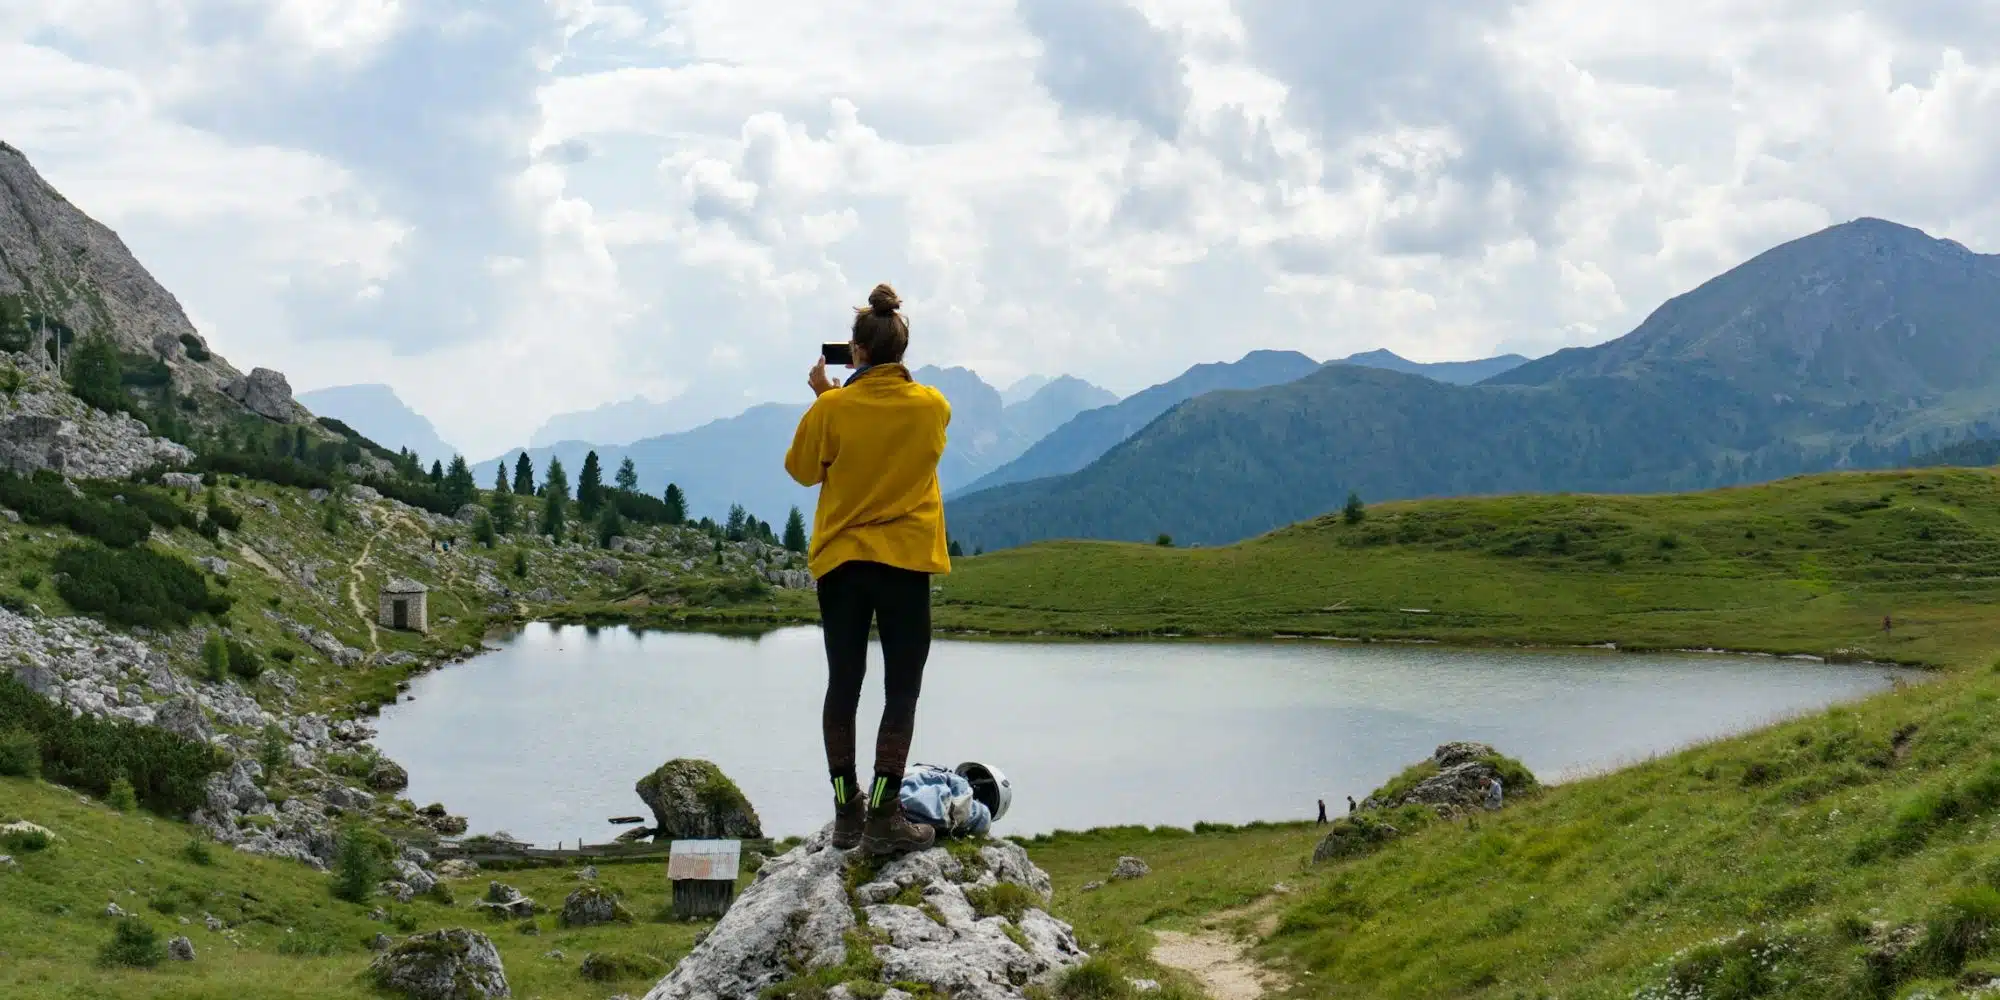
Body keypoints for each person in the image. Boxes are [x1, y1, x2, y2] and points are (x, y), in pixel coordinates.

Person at [785, 283, 952, 856]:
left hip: (843, 564)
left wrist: (824, 398)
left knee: (843, 686)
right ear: (902, 352)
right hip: (906, 561)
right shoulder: (932, 405)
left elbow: (803, 471)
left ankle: (845, 812)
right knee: (901, 690)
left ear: (855, 351)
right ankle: (885, 812)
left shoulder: (832, 407)